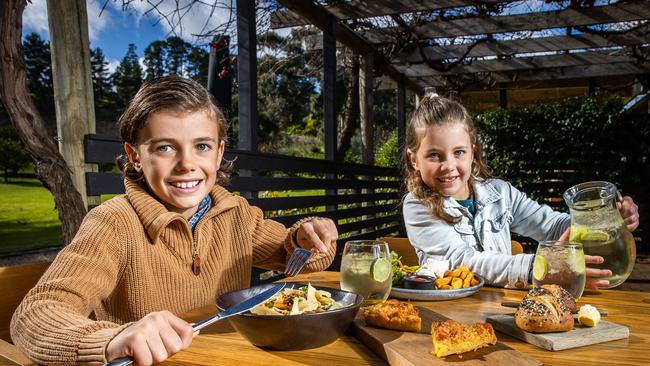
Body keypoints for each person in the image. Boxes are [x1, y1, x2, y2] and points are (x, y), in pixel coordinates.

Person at [10, 75, 338, 365]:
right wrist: (110, 341)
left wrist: (308, 238)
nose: (186, 164)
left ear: (219, 153)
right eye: (165, 147)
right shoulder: (112, 224)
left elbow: (304, 260)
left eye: (202, 146)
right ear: (136, 155)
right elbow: (35, 315)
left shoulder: (238, 215)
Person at [402, 93, 639, 289]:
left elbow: (552, 226)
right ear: (414, 160)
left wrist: (605, 221)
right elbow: (463, 261)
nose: (449, 166)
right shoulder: (416, 205)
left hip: (505, 310)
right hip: (448, 316)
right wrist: (540, 267)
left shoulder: (501, 193)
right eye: (434, 155)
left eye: (459, 152)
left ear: (473, 152)